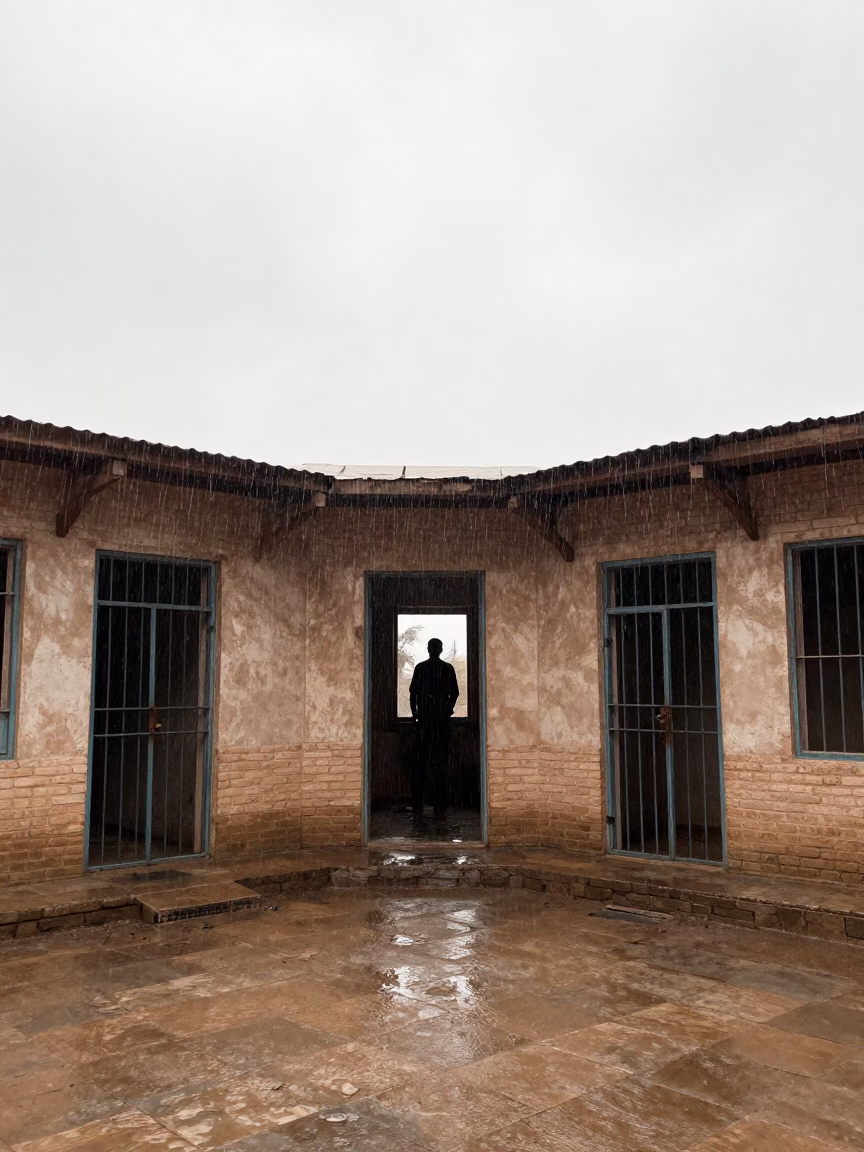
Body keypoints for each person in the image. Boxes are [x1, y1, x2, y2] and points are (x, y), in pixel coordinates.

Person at [409, 637, 459, 819]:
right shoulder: (447, 669)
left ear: (428, 649)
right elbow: (455, 693)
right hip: (439, 722)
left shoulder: (421, 668)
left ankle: (418, 805)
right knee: (440, 764)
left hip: (425, 722)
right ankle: (439, 805)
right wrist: (446, 710)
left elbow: (413, 694)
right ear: (441, 649)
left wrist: (415, 713)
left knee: (421, 764)